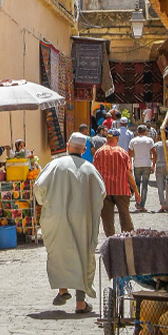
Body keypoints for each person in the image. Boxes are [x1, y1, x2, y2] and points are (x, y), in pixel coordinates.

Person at [34, 133, 106, 314]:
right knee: (82, 254)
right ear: (84, 149)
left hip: (56, 216)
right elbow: (101, 192)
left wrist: (45, 202)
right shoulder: (90, 169)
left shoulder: (54, 165)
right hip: (83, 218)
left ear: (68, 145)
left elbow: (39, 186)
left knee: (59, 252)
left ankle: (63, 290)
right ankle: (80, 303)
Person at [93, 129, 141, 236]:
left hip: (105, 190)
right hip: (121, 189)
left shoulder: (98, 153)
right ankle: (127, 239)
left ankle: (111, 240)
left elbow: (95, 173)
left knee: (107, 218)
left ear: (107, 138)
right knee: (125, 216)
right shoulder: (122, 153)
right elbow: (128, 173)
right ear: (117, 139)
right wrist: (136, 191)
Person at [128, 125, 155, 211]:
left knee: (137, 184)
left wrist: (130, 165)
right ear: (145, 132)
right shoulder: (149, 140)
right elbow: (154, 153)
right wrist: (153, 164)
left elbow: (130, 154)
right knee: (145, 185)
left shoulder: (133, 141)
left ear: (137, 132)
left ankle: (138, 202)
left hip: (137, 164)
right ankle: (142, 204)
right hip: (147, 164)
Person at [152, 132, 168, 212]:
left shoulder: (156, 144)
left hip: (159, 166)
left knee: (160, 186)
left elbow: (153, 155)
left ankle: (162, 204)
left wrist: (153, 165)